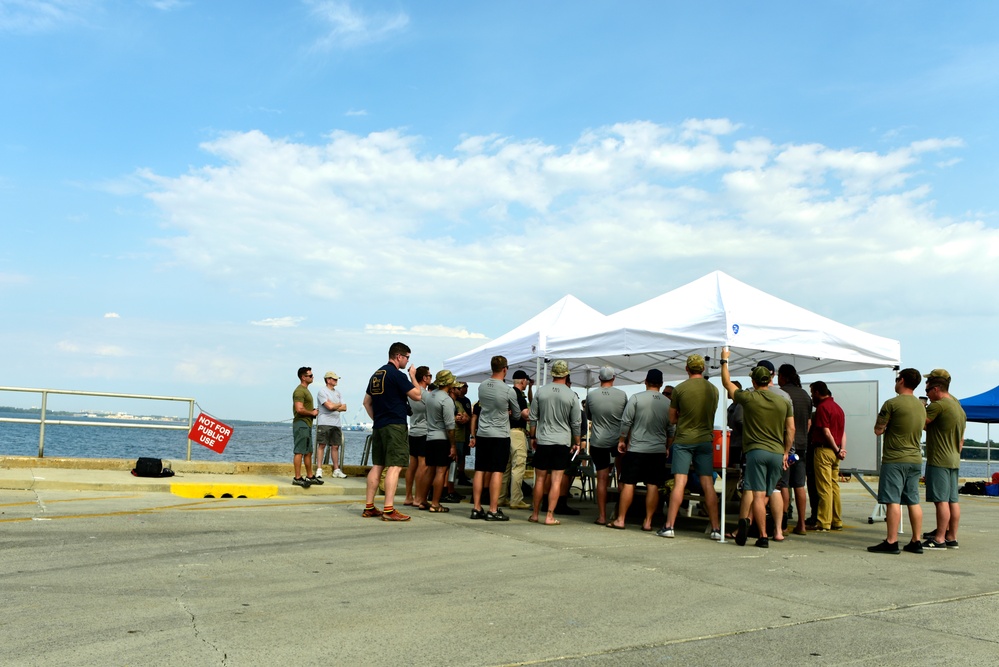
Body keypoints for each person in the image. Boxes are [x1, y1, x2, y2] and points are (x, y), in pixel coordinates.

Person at [720, 349, 793, 548]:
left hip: (756, 451)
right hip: (777, 453)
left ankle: (761, 535)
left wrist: (724, 361)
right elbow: (791, 428)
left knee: (757, 494)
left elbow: (727, 383)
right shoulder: (784, 400)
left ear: (753, 381)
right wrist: (786, 451)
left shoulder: (749, 398)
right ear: (770, 379)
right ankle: (777, 530)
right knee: (773, 491)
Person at [659, 355, 721, 540]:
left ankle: (669, 526)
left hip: (684, 440)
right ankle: (716, 529)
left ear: (687, 369)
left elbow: (671, 419)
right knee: (708, 484)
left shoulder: (679, 389)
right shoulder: (713, 390)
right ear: (703, 369)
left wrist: (683, 417)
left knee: (679, 483)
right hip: (704, 440)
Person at [361, 342, 422, 521]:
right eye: (407, 357)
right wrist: (412, 376)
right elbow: (417, 396)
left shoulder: (376, 375)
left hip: (379, 425)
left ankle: (369, 507)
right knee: (395, 466)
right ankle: (389, 509)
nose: (408, 361)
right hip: (395, 425)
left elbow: (366, 402)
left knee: (378, 465)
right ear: (398, 356)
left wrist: (378, 419)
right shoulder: (397, 374)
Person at [868, 368, 926, 554]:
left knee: (893, 500)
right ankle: (916, 541)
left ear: (901, 381)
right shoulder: (921, 406)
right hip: (915, 458)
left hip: (895, 459)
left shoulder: (891, 404)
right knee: (913, 500)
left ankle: (892, 541)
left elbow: (878, 429)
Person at [608, 369, 669, 532]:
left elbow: (626, 422)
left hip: (636, 448)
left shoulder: (636, 398)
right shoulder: (667, 403)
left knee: (629, 483)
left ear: (646, 381)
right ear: (661, 384)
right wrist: (668, 446)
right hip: (657, 450)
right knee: (653, 485)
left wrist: (622, 440)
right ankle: (648, 521)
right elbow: (671, 429)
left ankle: (621, 519)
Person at [469, 356, 529, 521]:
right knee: (497, 471)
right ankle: (493, 509)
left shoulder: (482, 387)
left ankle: (476, 507)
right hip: (500, 433)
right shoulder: (508, 390)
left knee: (480, 470)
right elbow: (517, 413)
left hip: (483, 433)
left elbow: (482, 406)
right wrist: (507, 412)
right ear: (505, 369)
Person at [528, 360, 582, 526]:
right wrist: (578, 442)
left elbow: (533, 417)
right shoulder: (571, 395)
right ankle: (550, 515)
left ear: (552, 374)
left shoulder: (540, 392)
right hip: (562, 441)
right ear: (566, 374)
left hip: (543, 439)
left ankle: (535, 514)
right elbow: (576, 423)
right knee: (557, 480)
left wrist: (532, 437)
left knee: (540, 480)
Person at [921, 369, 966, 550]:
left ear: (937, 388)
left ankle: (939, 538)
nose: (927, 395)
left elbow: (920, 422)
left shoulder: (938, 405)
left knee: (941, 501)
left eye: (928, 391)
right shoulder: (957, 407)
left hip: (939, 459)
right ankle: (951, 536)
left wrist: (920, 408)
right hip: (953, 458)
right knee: (952, 500)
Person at [586, 367, 629, 526]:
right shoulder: (622, 395)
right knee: (621, 477)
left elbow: (589, 416)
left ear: (599, 378)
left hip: (599, 441)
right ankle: (620, 515)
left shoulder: (591, 395)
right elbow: (626, 417)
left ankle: (602, 516)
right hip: (618, 441)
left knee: (602, 479)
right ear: (614, 378)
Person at [777, 364, 811, 535]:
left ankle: (782, 524)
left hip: (785, 445)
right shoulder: (805, 395)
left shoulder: (782, 394)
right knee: (799, 485)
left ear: (783, 376)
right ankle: (802, 525)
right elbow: (809, 422)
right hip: (802, 445)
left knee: (783, 484)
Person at [809, 381, 845, 532]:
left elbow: (826, 431)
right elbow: (843, 432)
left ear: (817, 392)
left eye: (812, 393)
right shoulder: (838, 409)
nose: (812, 396)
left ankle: (823, 522)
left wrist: (835, 449)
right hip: (836, 452)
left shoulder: (823, 408)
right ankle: (837, 520)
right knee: (834, 486)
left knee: (824, 487)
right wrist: (841, 450)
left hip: (824, 450)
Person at [420, 369, 457, 512]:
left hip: (430, 437)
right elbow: (450, 426)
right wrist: (452, 445)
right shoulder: (446, 400)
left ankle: (423, 500)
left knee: (430, 470)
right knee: (441, 471)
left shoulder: (430, 396)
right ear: (449, 382)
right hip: (442, 438)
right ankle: (435, 503)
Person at [500, 369, 533, 510]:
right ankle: (516, 499)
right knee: (518, 465)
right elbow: (526, 414)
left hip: (505, 432)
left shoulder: (508, 393)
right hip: (517, 433)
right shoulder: (519, 396)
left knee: (506, 467)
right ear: (523, 381)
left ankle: (500, 497)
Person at [403, 366, 432, 507]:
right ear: (425, 378)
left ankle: (409, 495)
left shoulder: (410, 394)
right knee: (423, 465)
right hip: (424, 432)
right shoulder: (424, 394)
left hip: (413, 431)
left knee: (412, 465)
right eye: (430, 375)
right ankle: (419, 497)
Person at [291, 366, 322, 488]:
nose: (312, 377)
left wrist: (311, 412)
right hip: (301, 424)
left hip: (307, 424)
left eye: (312, 375)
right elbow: (299, 409)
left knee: (308, 452)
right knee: (299, 451)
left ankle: (310, 476)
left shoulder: (306, 390)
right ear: (303, 377)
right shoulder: (299, 391)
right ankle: (297, 478)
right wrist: (312, 413)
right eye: (310, 375)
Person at [316, 371, 347, 479]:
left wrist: (335, 405)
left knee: (335, 446)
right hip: (324, 422)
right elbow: (329, 407)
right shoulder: (322, 392)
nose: (336, 380)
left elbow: (345, 407)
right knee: (322, 445)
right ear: (328, 380)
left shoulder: (338, 393)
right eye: (334, 379)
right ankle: (319, 469)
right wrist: (337, 405)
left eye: (336, 379)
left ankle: (336, 469)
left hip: (336, 423)